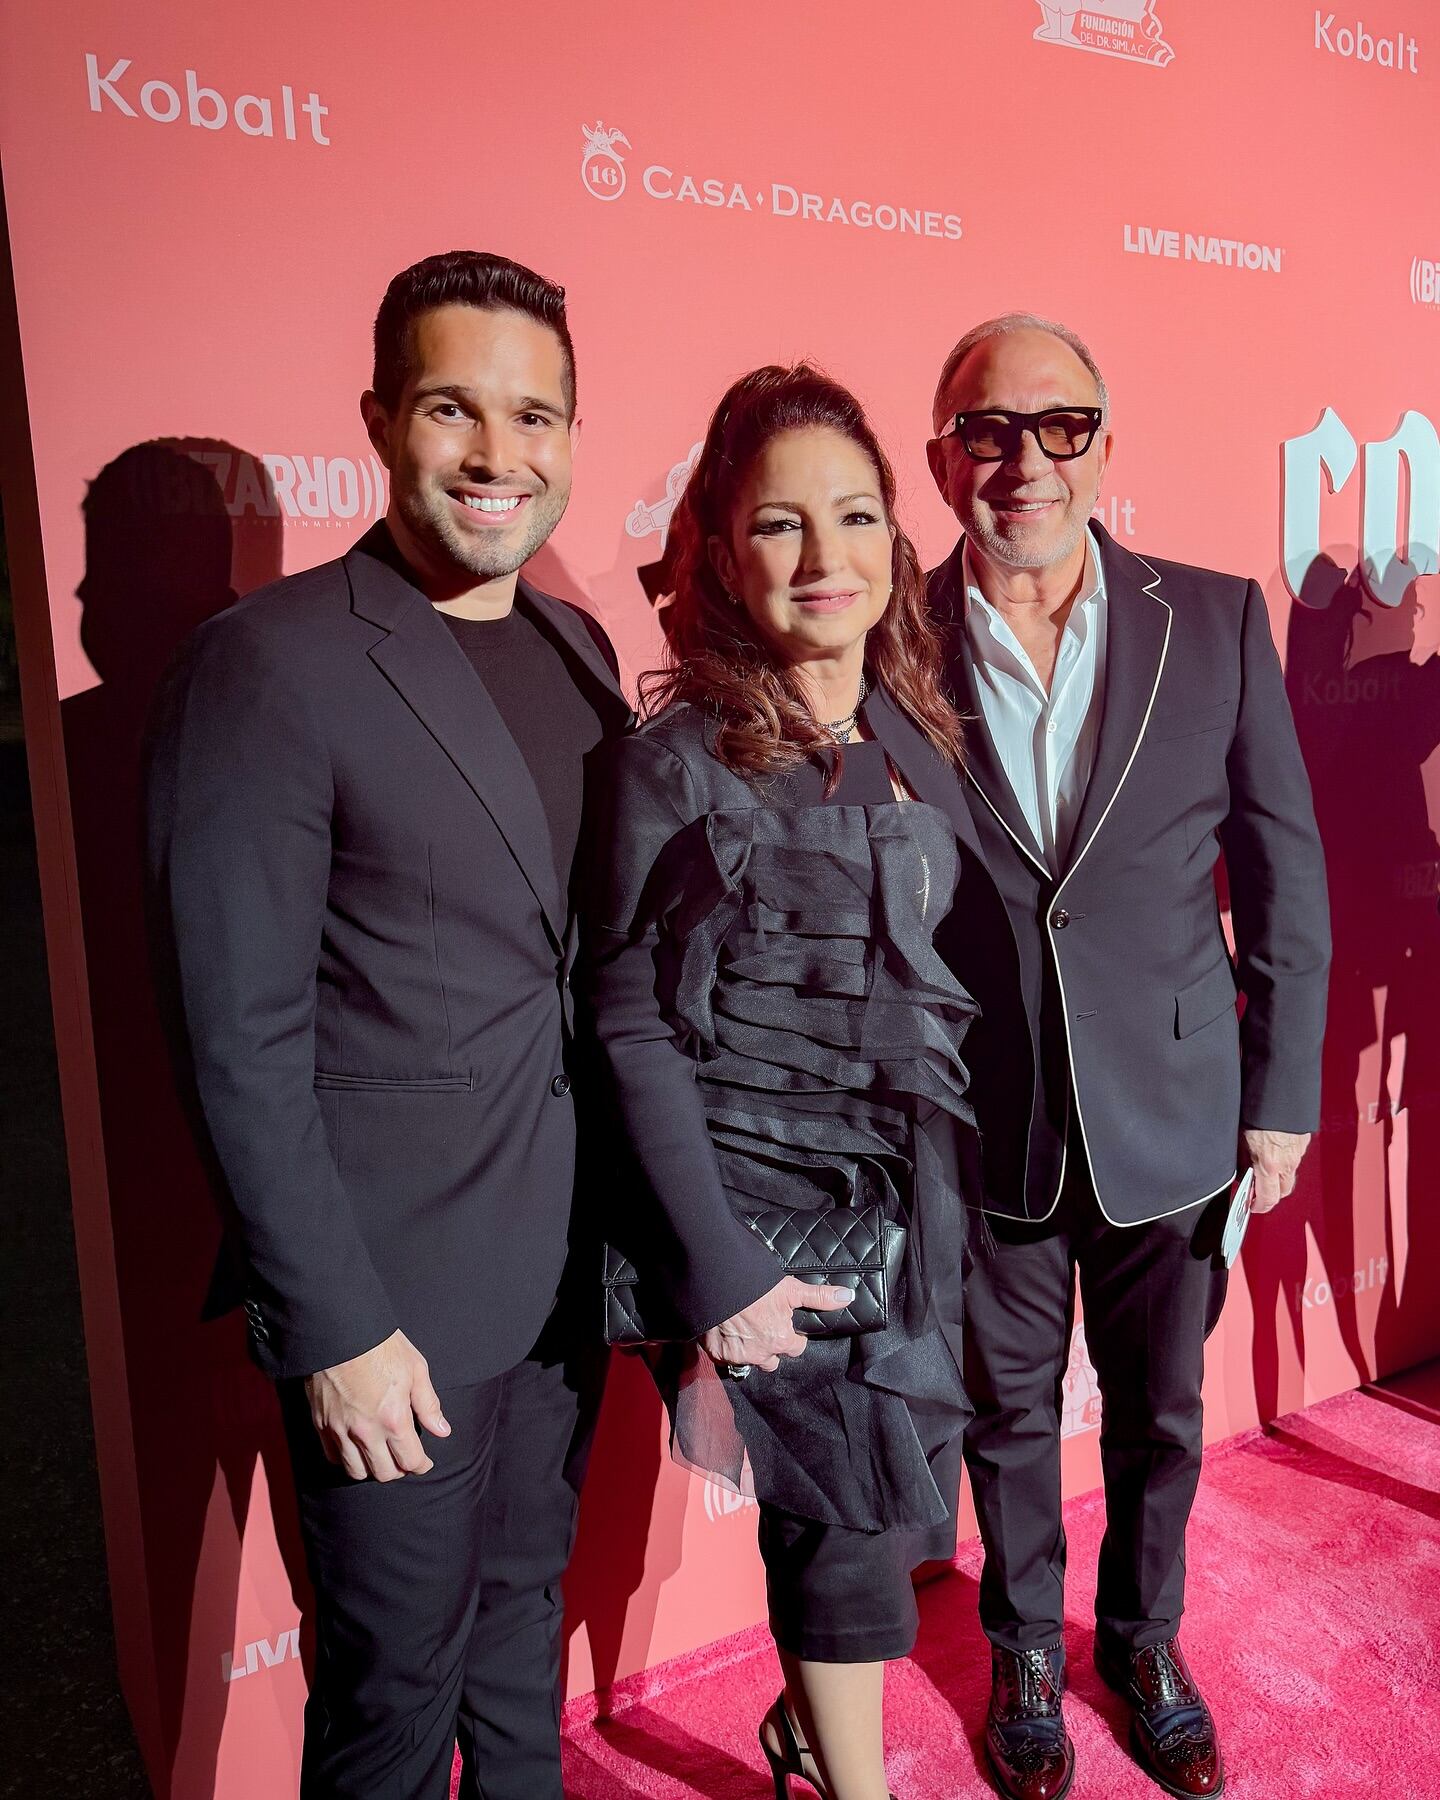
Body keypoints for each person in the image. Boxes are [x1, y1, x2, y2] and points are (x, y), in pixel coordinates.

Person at [145, 251, 630, 1798]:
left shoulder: (581, 647)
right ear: (376, 419)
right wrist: (336, 1329)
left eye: (536, 415)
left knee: (516, 1654)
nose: (501, 455)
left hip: (567, 1280)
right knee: (388, 1710)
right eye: (453, 408)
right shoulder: (269, 664)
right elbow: (236, 1034)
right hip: (394, 1307)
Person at [924, 314, 1330, 1800]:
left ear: (1105, 442)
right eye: (988, 429)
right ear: (939, 456)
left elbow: (1283, 868)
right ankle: (1026, 1647)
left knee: (1162, 1411)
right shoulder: (884, 639)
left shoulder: (1213, 619)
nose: (1024, 459)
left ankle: (1142, 1639)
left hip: (1178, 1108)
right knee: (1007, 1413)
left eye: (1061, 425)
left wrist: (1284, 1097)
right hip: (984, 1115)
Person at [583, 364, 1002, 1800]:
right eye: (779, 526)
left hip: (917, 1202)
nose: (826, 561)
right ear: (720, 548)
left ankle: (805, 1742)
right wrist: (718, 1270)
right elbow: (628, 1024)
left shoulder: (915, 735)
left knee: (891, 1507)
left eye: (857, 518)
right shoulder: (673, 762)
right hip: (762, 1217)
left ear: (898, 538)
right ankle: (851, 1787)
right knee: (834, 1518)